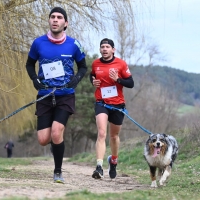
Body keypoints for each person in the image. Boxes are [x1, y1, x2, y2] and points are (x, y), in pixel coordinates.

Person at [25, 7, 87, 183]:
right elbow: (29, 65)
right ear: (49, 21)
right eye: (52, 17)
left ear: (65, 23)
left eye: (59, 17)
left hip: (65, 94)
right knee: (44, 139)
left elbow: (83, 66)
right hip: (45, 95)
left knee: (57, 131)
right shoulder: (38, 43)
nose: (55, 20)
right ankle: (55, 142)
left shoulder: (74, 44)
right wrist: (34, 79)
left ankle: (58, 171)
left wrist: (76, 79)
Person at [90, 38, 134, 179]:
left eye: (107, 47)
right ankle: (99, 167)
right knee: (102, 133)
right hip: (101, 102)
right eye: (102, 46)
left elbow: (131, 83)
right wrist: (93, 81)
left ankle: (113, 161)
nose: (104, 49)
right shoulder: (95, 63)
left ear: (113, 50)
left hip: (117, 104)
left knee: (113, 136)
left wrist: (118, 80)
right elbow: (92, 75)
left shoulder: (121, 64)